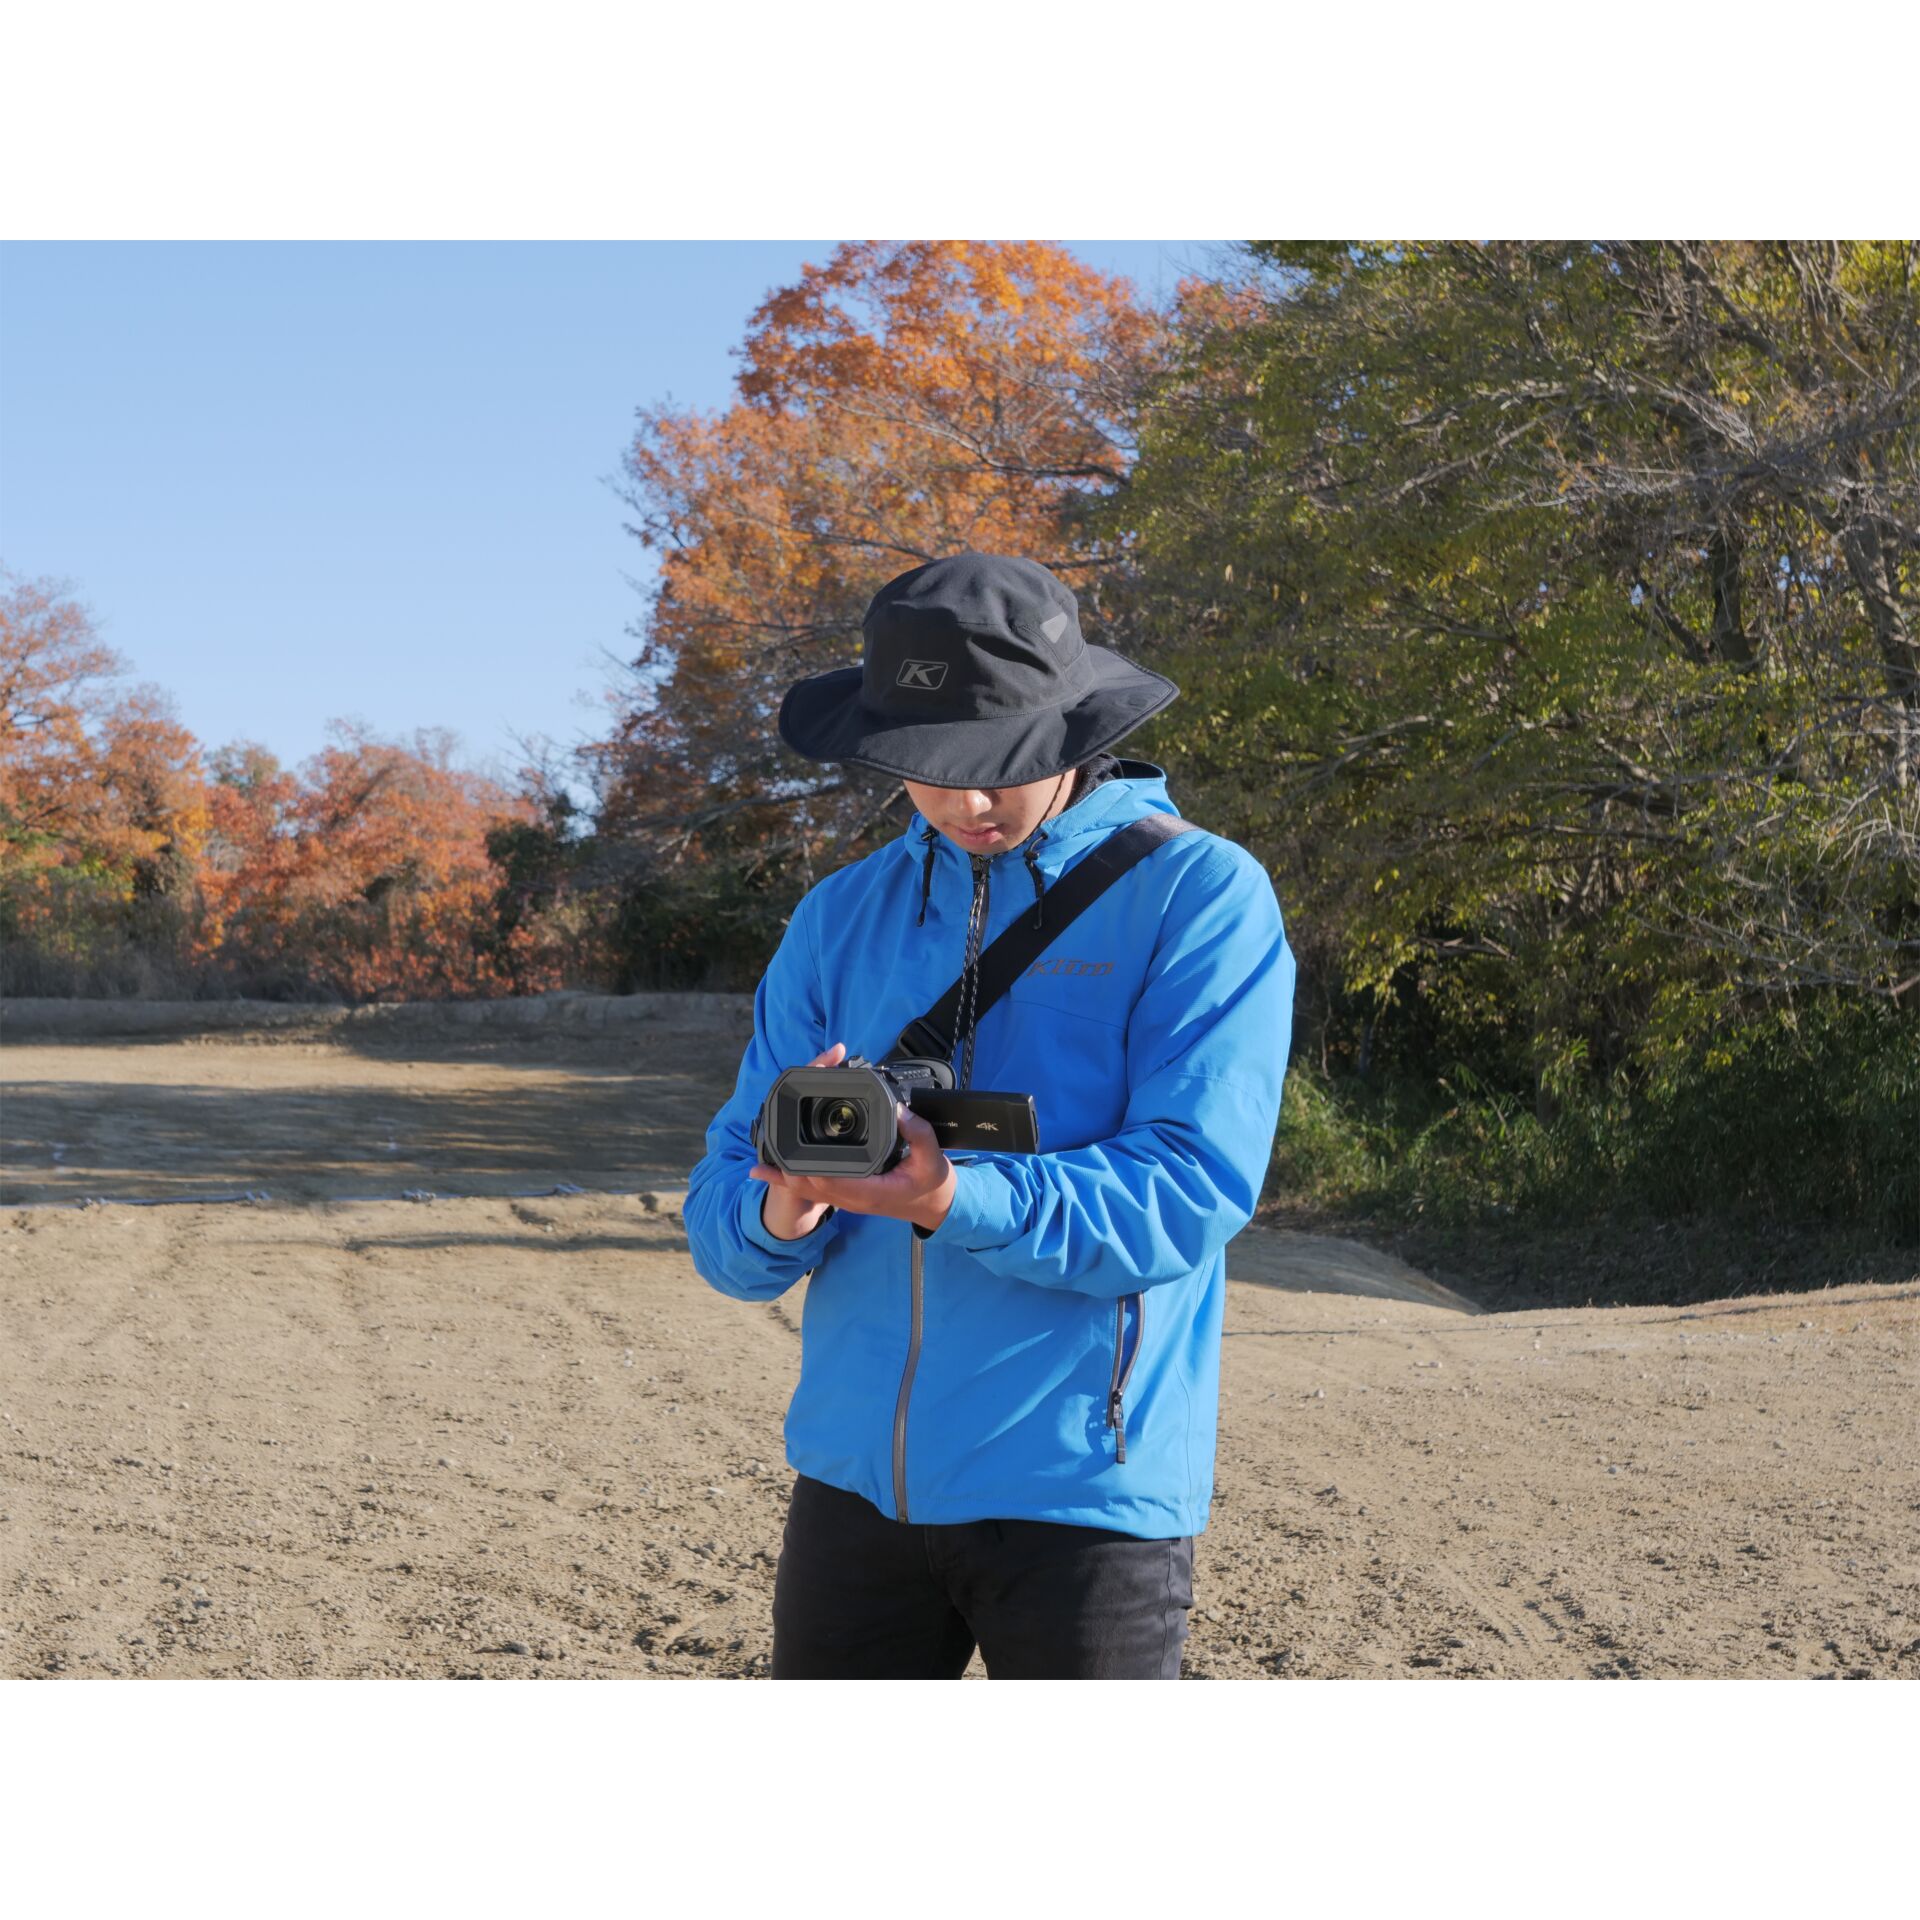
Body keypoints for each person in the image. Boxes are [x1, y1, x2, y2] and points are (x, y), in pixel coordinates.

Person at [684, 551, 1295, 1678]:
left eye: (997, 765)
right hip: (855, 1487)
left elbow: (1187, 1189)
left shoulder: (1199, 896)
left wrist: (954, 1196)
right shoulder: (838, 917)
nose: (966, 802)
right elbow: (724, 1211)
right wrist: (782, 1209)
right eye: (929, 766)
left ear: (1070, 729)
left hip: (1084, 1494)